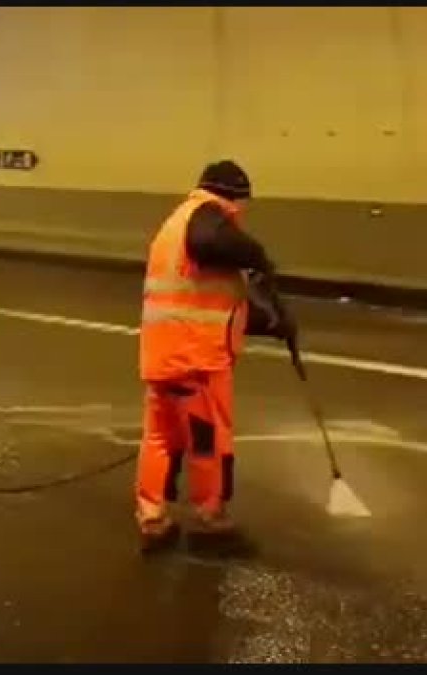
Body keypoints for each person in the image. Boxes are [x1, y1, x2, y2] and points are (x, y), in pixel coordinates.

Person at [135, 159, 296, 553]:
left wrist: (270, 321)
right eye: (242, 204)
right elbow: (212, 242)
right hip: (196, 363)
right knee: (207, 441)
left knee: (159, 438)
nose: (242, 213)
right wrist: (258, 257)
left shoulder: (177, 223)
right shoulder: (207, 217)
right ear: (232, 197)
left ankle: (152, 517)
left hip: (164, 357)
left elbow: (208, 298)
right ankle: (211, 519)